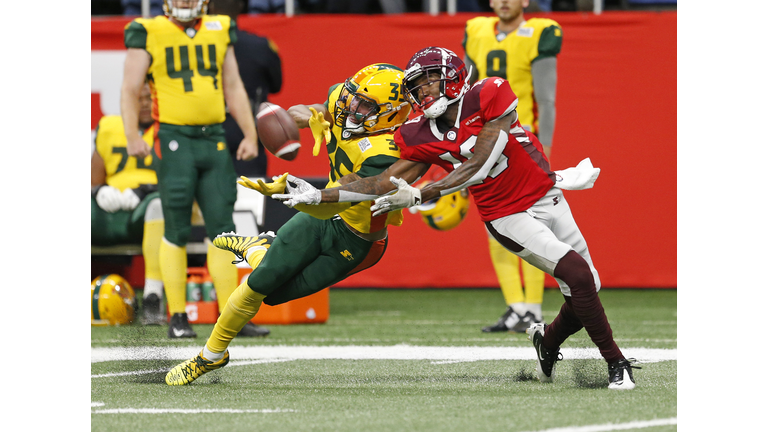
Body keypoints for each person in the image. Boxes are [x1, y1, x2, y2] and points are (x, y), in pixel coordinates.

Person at [274, 47, 639, 390]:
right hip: (506, 213)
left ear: (452, 77)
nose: (422, 91)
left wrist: (423, 192)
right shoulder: (417, 133)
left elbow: (479, 162)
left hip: (546, 196)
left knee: (586, 286)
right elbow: (383, 181)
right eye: (416, 87)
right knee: (576, 274)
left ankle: (548, 340)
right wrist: (322, 194)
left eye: (429, 80)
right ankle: (616, 363)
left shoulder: (489, 94)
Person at [164, 63, 412, 385]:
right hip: (322, 215)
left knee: (274, 296)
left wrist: (319, 195)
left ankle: (258, 249)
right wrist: (286, 119)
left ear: (390, 115)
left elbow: (362, 185)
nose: (351, 106)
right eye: (352, 97)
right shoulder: (344, 101)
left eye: (364, 105)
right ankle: (211, 356)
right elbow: (317, 110)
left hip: (358, 240)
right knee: (259, 283)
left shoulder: (390, 148)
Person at [121, 0, 268, 339]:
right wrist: (132, 134)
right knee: (176, 227)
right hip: (173, 137)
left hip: (213, 136)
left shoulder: (218, 28)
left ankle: (232, 314)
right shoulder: (147, 30)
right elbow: (130, 88)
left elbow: (232, 86)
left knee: (224, 228)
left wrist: (249, 132)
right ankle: (177, 316)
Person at [463, 0, 563, 333]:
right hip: (486, 140)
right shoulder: (476, 30)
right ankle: (515, 306)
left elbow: (546, 98)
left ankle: (533, 308)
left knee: (532, 222)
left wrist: (545, 144)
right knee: (494, 220)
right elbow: (464, 94)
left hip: (522, 140)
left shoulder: (539, 32)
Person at [91, 82, 166, 326]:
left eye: (149, 98)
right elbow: (93, 177)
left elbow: (181, 182)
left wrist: (146, 190)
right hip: (108, 209)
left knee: (160, 206)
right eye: (138, 97)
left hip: (145, 210)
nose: (144, 103)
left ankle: (153, 298)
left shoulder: (168, 131)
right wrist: (99, 190)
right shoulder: (110, 126)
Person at [209, 0, 283, 177]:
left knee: (210, 198)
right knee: (249, 197)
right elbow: (276, 85)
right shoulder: (260, 46)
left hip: (209, 131)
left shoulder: (198, 47)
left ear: (209, 7)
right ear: (241, 6)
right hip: (248, 132)